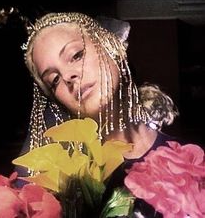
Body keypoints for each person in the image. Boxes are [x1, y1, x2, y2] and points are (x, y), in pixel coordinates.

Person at [18, 12, 188, 217]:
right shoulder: (63, 185)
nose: (68, 77)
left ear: (110, 45)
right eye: (54, 80)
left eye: (76, 55)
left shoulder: (188, 162)